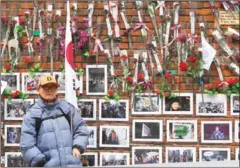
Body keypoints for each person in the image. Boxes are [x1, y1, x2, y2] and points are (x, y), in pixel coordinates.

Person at [20, 75, 89, 167]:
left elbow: (81, 128)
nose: (49, 90)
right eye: (45, 87)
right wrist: (40, 161)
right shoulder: (32, 115)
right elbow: (27, 145)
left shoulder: (67, 109)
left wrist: (78, 146)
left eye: (52, 87)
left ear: (57, 89)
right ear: (38, 89)